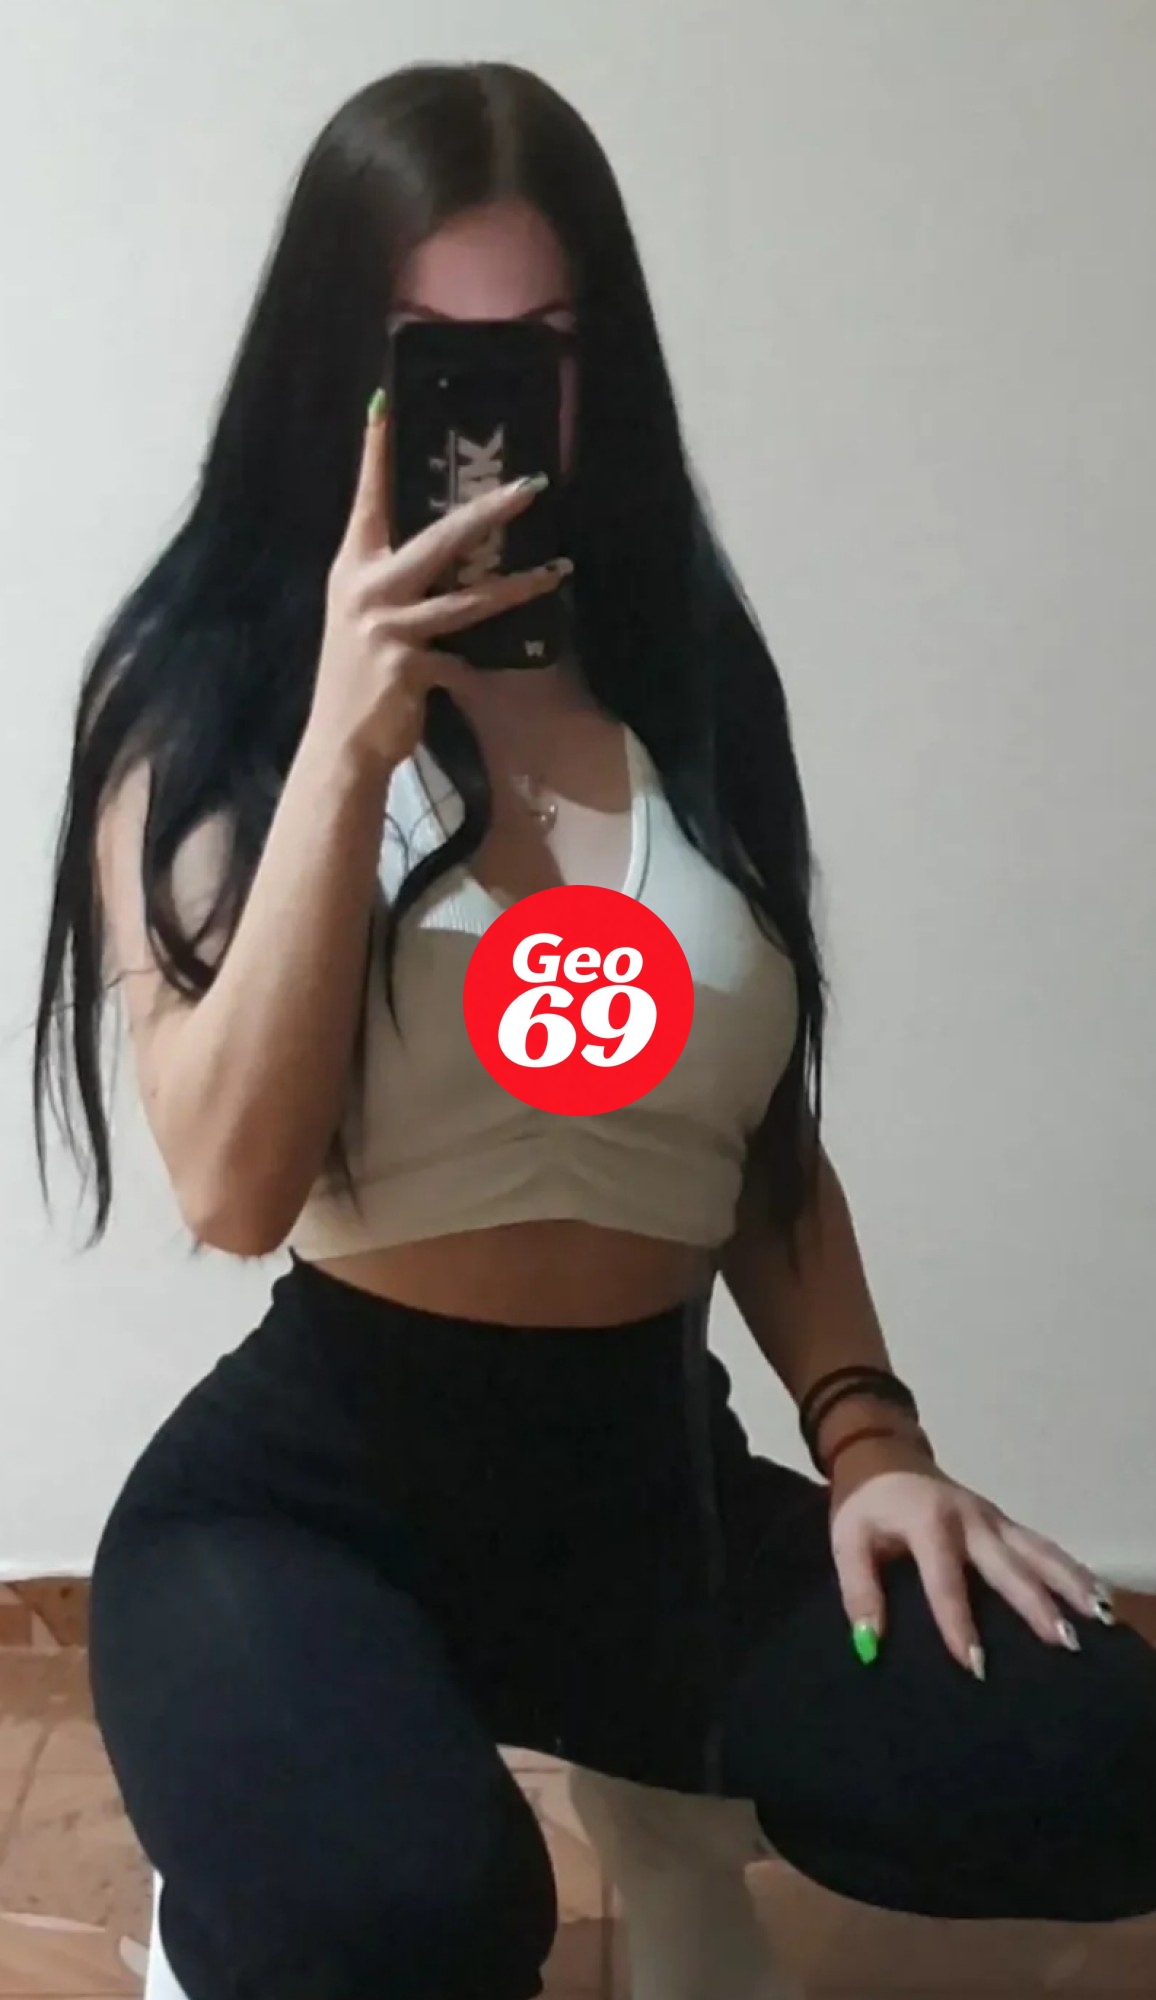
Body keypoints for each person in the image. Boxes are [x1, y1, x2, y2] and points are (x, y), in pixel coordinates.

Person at [34, 59, 1156, 2000]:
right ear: (333, 361)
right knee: (404, 1922)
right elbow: (230, 1184)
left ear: (600, 365)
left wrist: (871, 1440)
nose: (491, 417)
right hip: (311, 1502)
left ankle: (660, 1784)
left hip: (649, 1497)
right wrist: (351, 737)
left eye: (539, 353)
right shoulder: (205, 698)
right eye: (430, 355)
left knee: (1097, 1757)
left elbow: (758, 1136)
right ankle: (247, 1873)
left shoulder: (687, 677)